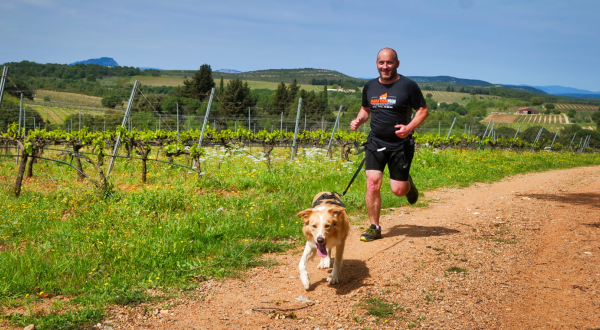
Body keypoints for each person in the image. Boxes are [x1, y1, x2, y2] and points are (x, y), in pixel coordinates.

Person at [350, 48, 429, 242]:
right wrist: (359, 120)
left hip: (400, 146)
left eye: (389, 63)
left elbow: (423, 110)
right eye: (381, 63)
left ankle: (409, 186)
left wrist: (409, 128)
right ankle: (374, 227)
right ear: (376, 63)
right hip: (375, 143)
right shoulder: (369, 86)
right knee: (372, 183)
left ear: (397, 64)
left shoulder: (408, 85)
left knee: (398, 190)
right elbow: (365, 109)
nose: (385, 67)